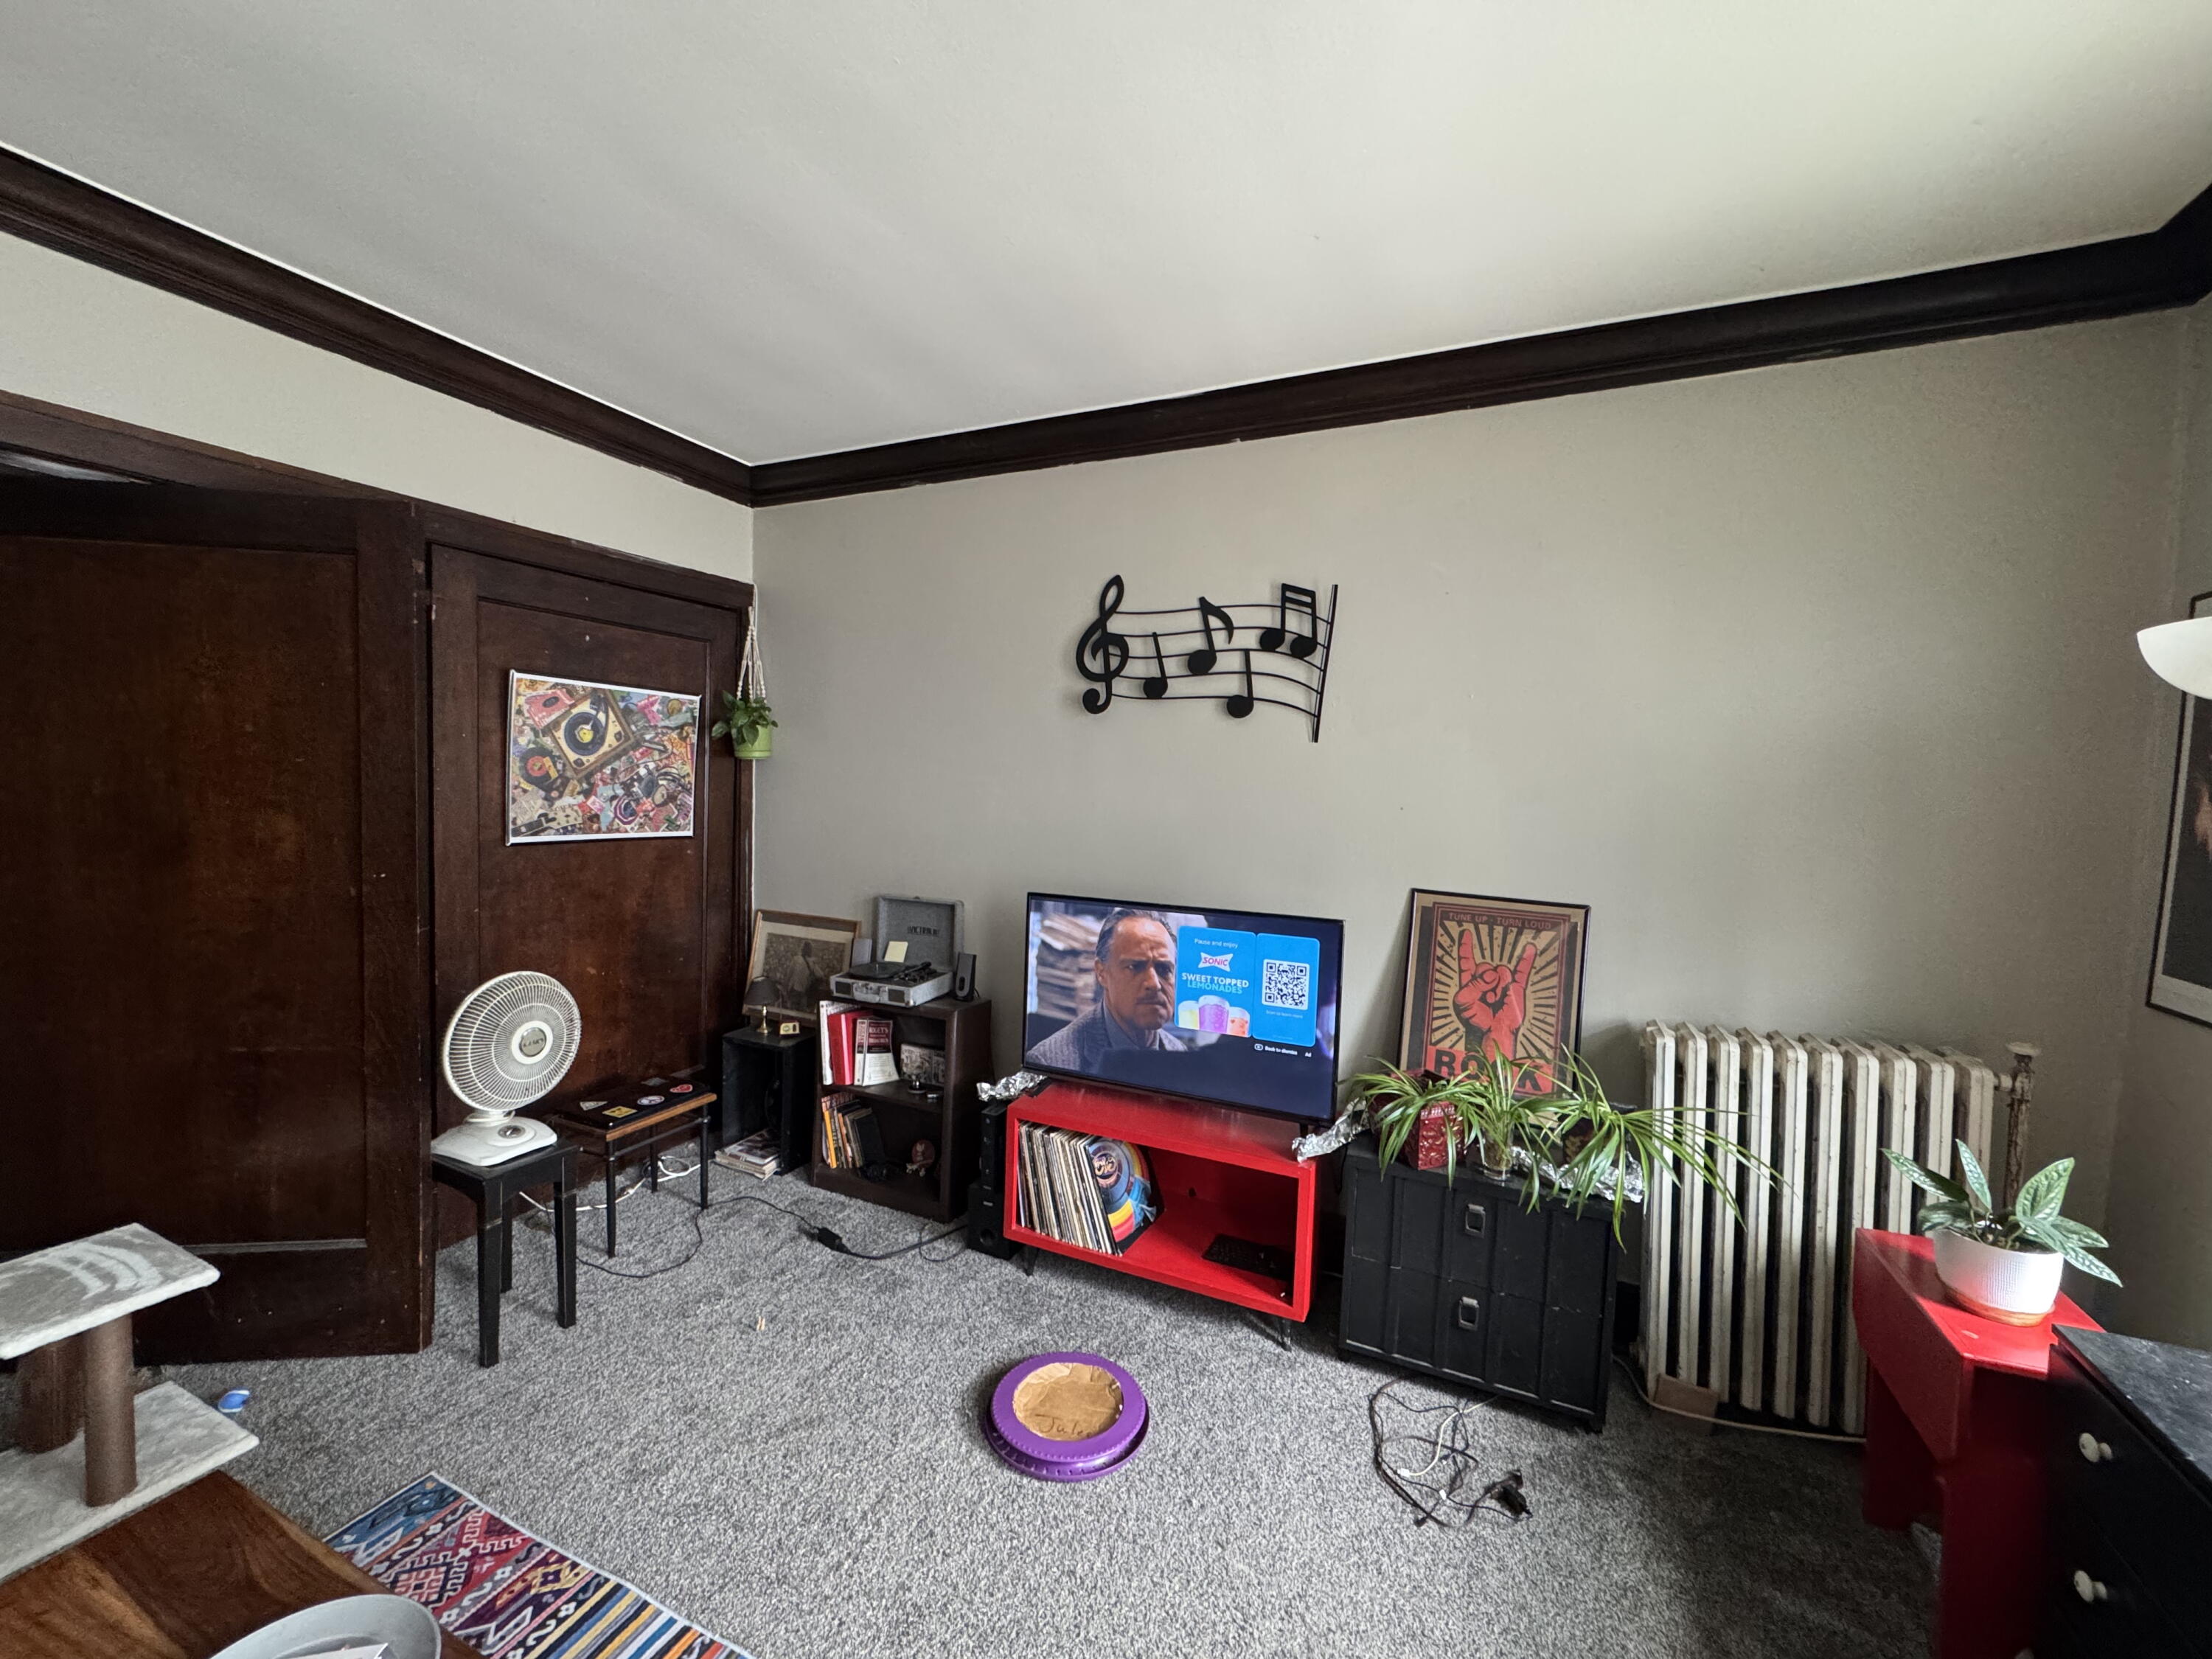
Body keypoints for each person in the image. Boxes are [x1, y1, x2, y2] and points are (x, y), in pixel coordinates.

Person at [1027, 910, 1190, 1071]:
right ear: (1101, 973)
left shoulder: (1178, 1051)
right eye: (1135, 967)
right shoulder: (1051, 1062)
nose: (1154, 984)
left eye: (1164, 969)